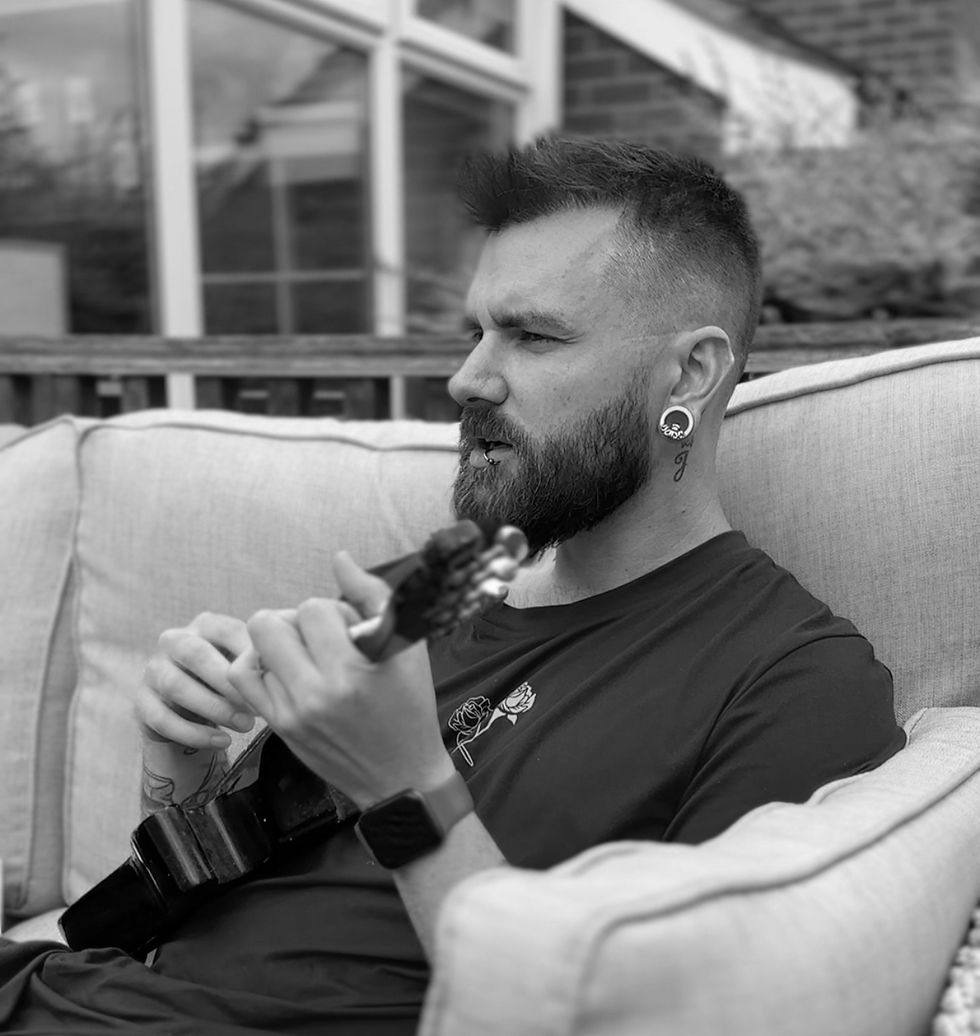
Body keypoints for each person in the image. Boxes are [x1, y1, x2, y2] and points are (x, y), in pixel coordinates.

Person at [0, 138, 905, 1034]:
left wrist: (409, 790)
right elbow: (207, 905)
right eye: (475, 331)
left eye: (534, 336)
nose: (467, 378)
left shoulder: (794, 680)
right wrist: (181, 755)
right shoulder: (446, 584)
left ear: (691, 372)